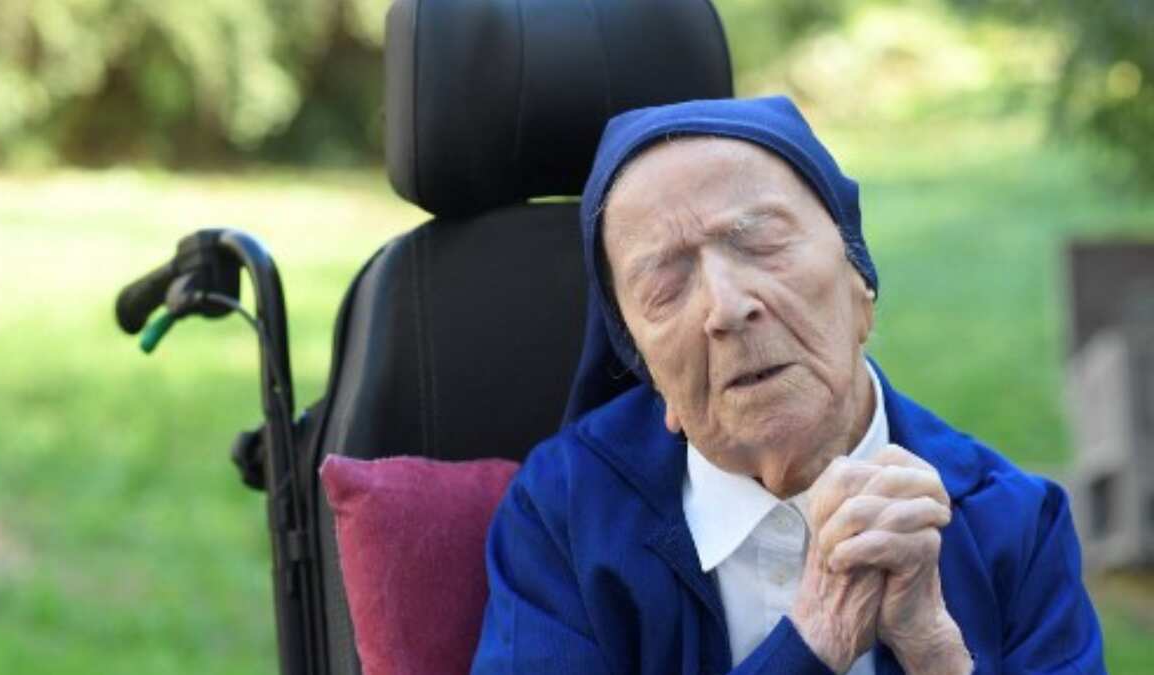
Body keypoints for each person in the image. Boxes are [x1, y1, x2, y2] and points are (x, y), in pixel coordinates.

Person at [470, 96, 1104, 674]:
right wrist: (815, 640)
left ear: (861, 285)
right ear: (646, 369)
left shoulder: (1012, 523)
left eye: (761, 242)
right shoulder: (566, 514)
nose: (725, 307)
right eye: (665, 285)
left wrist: (937, 654)